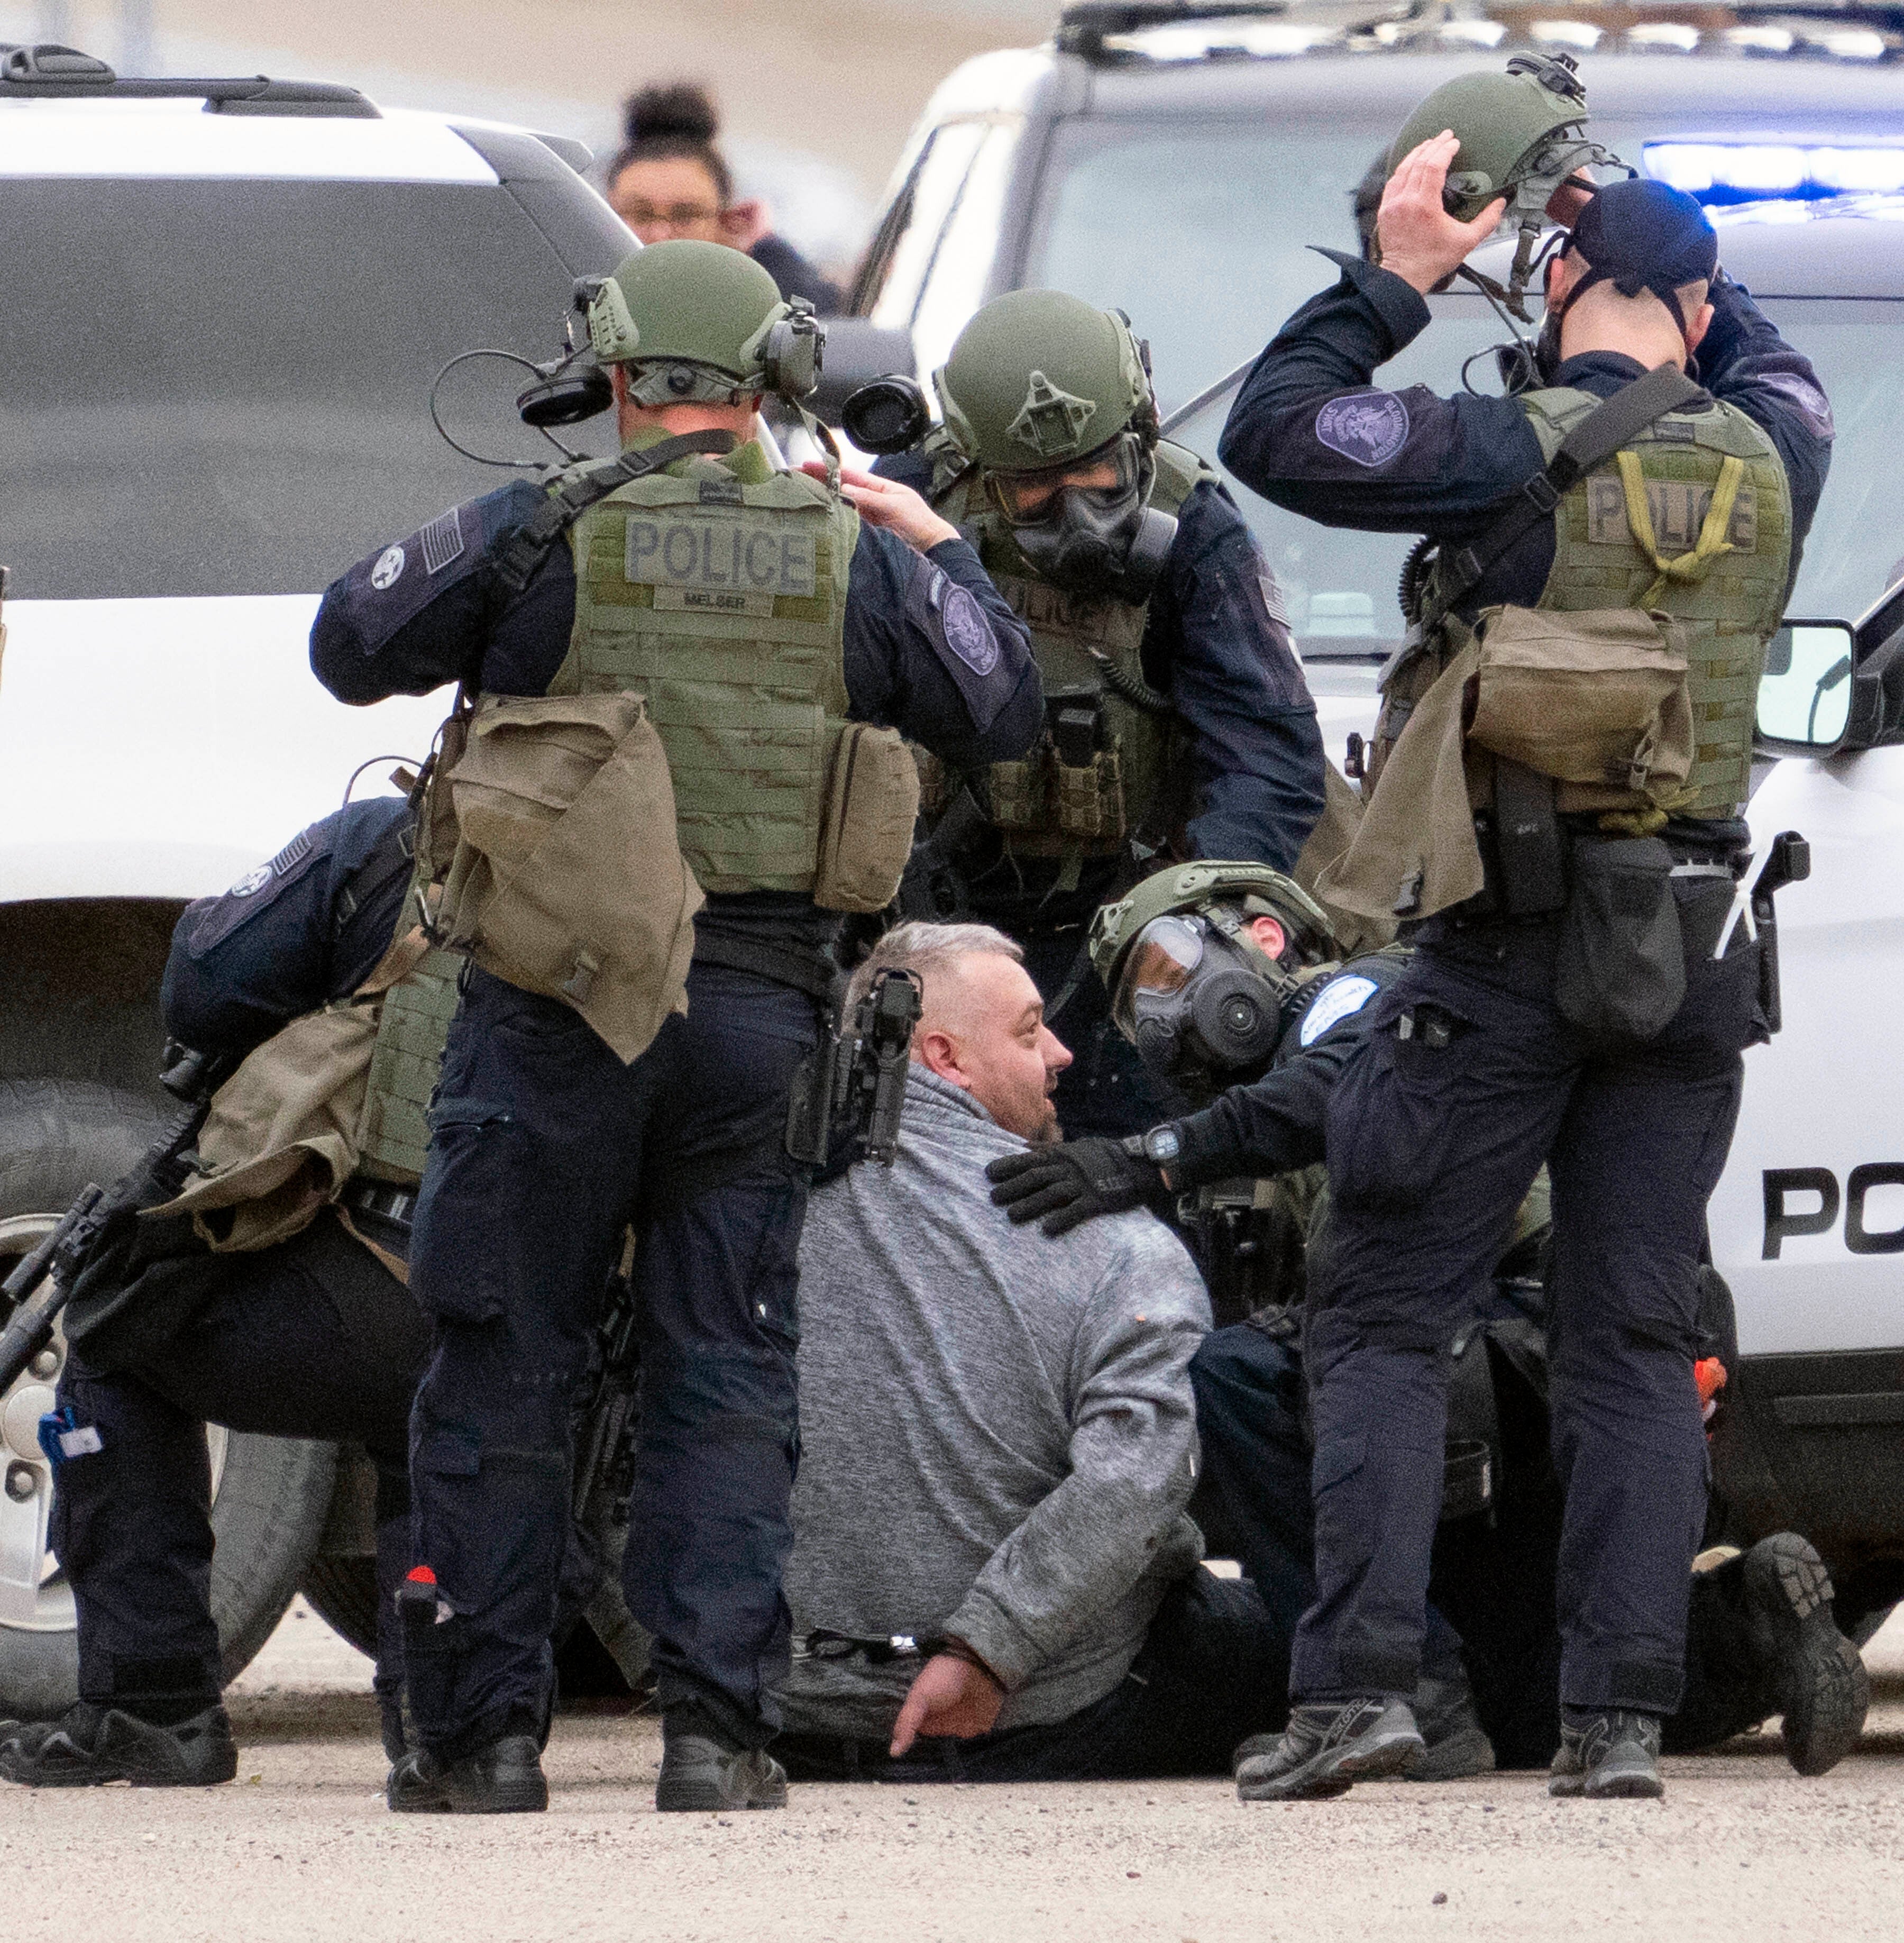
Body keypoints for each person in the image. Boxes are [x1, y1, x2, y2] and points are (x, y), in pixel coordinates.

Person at [309, 240, 1041, 1816]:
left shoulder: (542, 530)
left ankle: (482, 1743)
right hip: (761, 1020)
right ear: (775, 377)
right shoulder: (862, 561)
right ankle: (720, 1738)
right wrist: (942, 553)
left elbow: (347, 643)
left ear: (620, 373)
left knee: (505, 1364)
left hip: (555, 1021)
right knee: (726, 1373)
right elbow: (1005, 708)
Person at [1209, 114, 1832, 1798]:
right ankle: (1620, 1721)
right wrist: (1632, 219)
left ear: (1556, 288)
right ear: (1696, 306)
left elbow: (1273, 429)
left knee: (1388, 1316)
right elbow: (1745, 334)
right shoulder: (1784, 448)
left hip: (1499, 954)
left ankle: (1356, 1691)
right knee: (1635, 1332)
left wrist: (1401, 272)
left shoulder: (1497, 450)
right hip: (1687, 948)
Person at [986, 868, 1872, 1784]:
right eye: (1138, 1011)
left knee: (1233, 1379)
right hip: (1571, 1371)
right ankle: (1747, 1627)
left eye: (1168, 973)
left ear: (1266, 936)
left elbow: (1338, 1085)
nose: (1160, 1020)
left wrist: (1151, 1156)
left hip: (1497, 1352)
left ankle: (1404, 1688)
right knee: (1535, 1704)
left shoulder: (1352, 994)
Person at [775, 919, 1307, 1782]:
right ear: (943, 1056)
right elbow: (1135, 1476)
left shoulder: (742, 1222)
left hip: (784, 1713)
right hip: (1051, 1710)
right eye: (1029, 1031)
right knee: (1297, 1628)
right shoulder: (1118, 1247)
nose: (1063, 1052)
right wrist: (988, 1652)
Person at [0, 797, 434, 1786]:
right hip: (556, 1308)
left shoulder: (400, 843)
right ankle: (457, 1724)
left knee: (117, 1326)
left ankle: (151, 1706)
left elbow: (205, 981)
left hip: (394, 1274)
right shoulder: (657, 879)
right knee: (445, 1413)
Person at [875, 290, 1328, 1142]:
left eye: (1099, 474)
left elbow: (1268, 755)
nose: (1078, 510)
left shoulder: (1195, 525)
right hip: (928, 925)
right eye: (1036, 492)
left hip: (1116, 931)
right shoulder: (904, 511)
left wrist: (1193, 932)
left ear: (1142, 431)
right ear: (976, 467)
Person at [606, 82, 843, 313]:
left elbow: (830, 327)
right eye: (641, 215)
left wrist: (766, 248)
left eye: (685, 216)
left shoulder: (746, 312)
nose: (660, 235)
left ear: (725, 224)